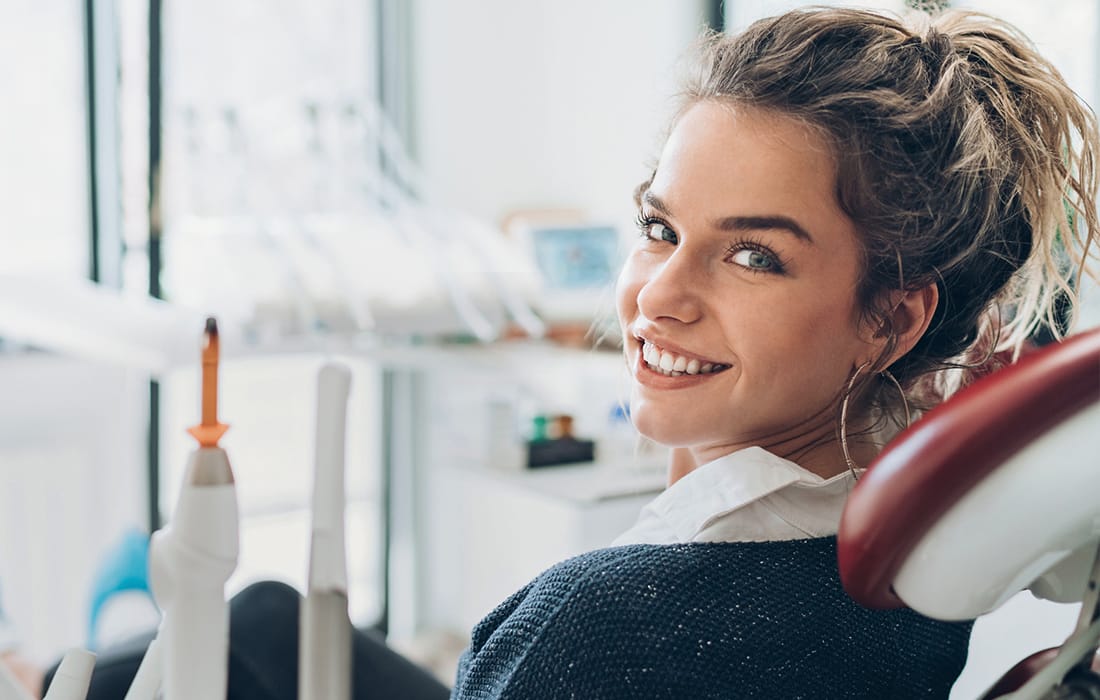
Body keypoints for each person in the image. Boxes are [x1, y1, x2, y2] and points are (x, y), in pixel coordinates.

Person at [49, 5, 1099, 699]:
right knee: (269, 618)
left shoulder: (593, 629)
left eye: (750, 256)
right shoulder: (923, 548)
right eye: (658, 228)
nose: (657, 297)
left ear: (890, 319)